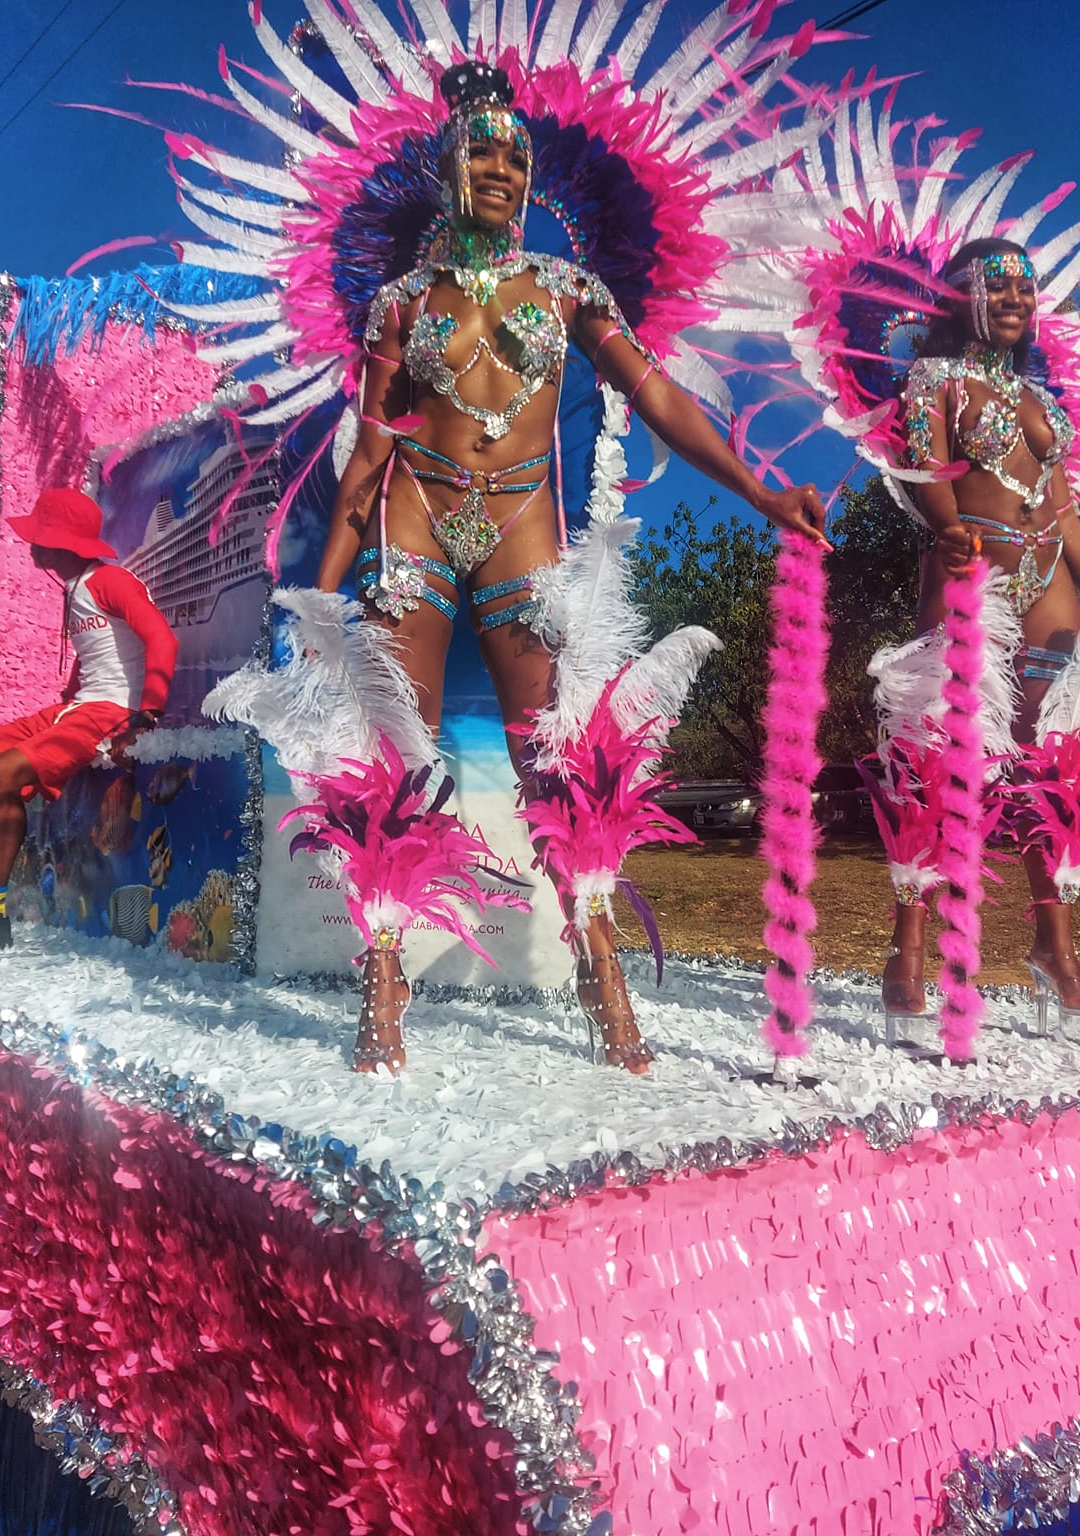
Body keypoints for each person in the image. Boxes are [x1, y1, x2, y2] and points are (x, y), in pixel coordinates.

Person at [310, 61, 827, 1071]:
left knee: (557, 761)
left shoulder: (566, 287)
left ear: (529, 177)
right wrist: (321, 592)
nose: (499, 169)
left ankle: (599, 964)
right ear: (447, 167)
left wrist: (762, 491)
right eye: (480, 153)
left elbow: (662, 398)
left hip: (520, 530)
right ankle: (382, 976)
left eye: (514, 156)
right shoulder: (401, 305)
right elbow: (369, 450)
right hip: (410, 519)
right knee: (392, 763)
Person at [891, 237, 1080, 1030]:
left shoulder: (1042, 401)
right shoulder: (933, 381)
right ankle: (909, 949)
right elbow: (924, 471)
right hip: (973, 585)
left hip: (1055, 597)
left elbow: (1062, 511)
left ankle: (1053, 949)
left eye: (1026, 292)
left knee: (1059, 776)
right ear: (962, 293)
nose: (1015, 300)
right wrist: (944, 527)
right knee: (940, 766)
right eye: (997, 285)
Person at [0, 487, 176, 952]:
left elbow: (162, 640)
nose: (31, 541)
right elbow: (96, 655)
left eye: (40, 533)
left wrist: (147, 713)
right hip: (75, 707)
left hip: (109, 712)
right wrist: (69, 695)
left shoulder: (112, 581)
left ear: (60, 541)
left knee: (4, 773)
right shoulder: (75, 587)